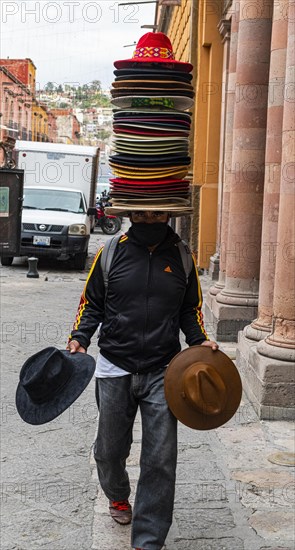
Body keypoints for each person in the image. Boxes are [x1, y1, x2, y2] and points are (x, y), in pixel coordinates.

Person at [67, 211, 218, 550]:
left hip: (165, 369)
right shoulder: (110, 252)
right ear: (131, 213)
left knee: (161, 458)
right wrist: (80, 336)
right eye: (142, 212)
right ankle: (118, 495)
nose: (149, 218)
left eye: (156, 212)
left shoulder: (181, 256)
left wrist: (199, 341)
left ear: (167, 213)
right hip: (114, 366)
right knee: (108, 451)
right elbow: (92, 303)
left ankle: (148, 539)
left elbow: (189, 309)